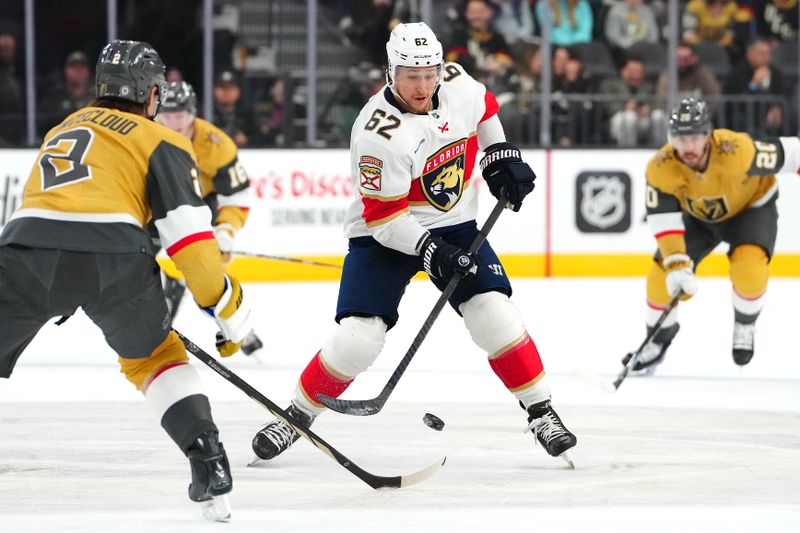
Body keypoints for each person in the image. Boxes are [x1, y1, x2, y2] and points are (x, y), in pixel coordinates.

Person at [251, 22, 577, 466]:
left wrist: (500, 153)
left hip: (456, 223)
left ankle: (540, 410)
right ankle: (296, 415)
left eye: (430, 73)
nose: (423, 85)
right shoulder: (376, 134)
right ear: (390, 73)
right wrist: (431, 251)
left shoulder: (458, 83)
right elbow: (385, 220)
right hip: (384, 234)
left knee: (494, 314)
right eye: (411, 75)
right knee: (357, 340)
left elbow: (484, 110)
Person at [0, 40, 253, 521]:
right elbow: (191, 246)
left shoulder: (63, 127)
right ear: (152, 93)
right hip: (114, 258)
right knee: (154, 358)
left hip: (27, 249)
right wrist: (227, 310)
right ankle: (208, 460)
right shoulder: (163, 140)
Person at [625, 97, 800, 374]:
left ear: (708, 134)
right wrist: (677, 264)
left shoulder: (737, 150)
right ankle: (656, 342)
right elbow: (664, 220)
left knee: (750, 270)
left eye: (695, 137)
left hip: (750, 208)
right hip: (699, 218)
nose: (688, 147)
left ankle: (744, 323)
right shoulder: (661, 167)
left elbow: (792, 153)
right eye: (680, 138)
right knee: (660, 277)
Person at [155, 81, 263, 356]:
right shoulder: (147, 136)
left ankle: (237, 327)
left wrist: (226, 229)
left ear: (192, 114)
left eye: (180, 115)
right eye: (168, 116)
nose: (174, 122)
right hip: (155, 205)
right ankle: (152, 315)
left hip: (200, 207)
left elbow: (236, 195)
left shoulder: (216, 144)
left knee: (208, 269)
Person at [38, 51, 95, 135]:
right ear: (65, 70)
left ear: (88, 71)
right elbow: (42, 125)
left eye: (82, 66)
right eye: (73, 66)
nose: (78, 71)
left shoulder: (96, 99)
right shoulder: (55, 98)